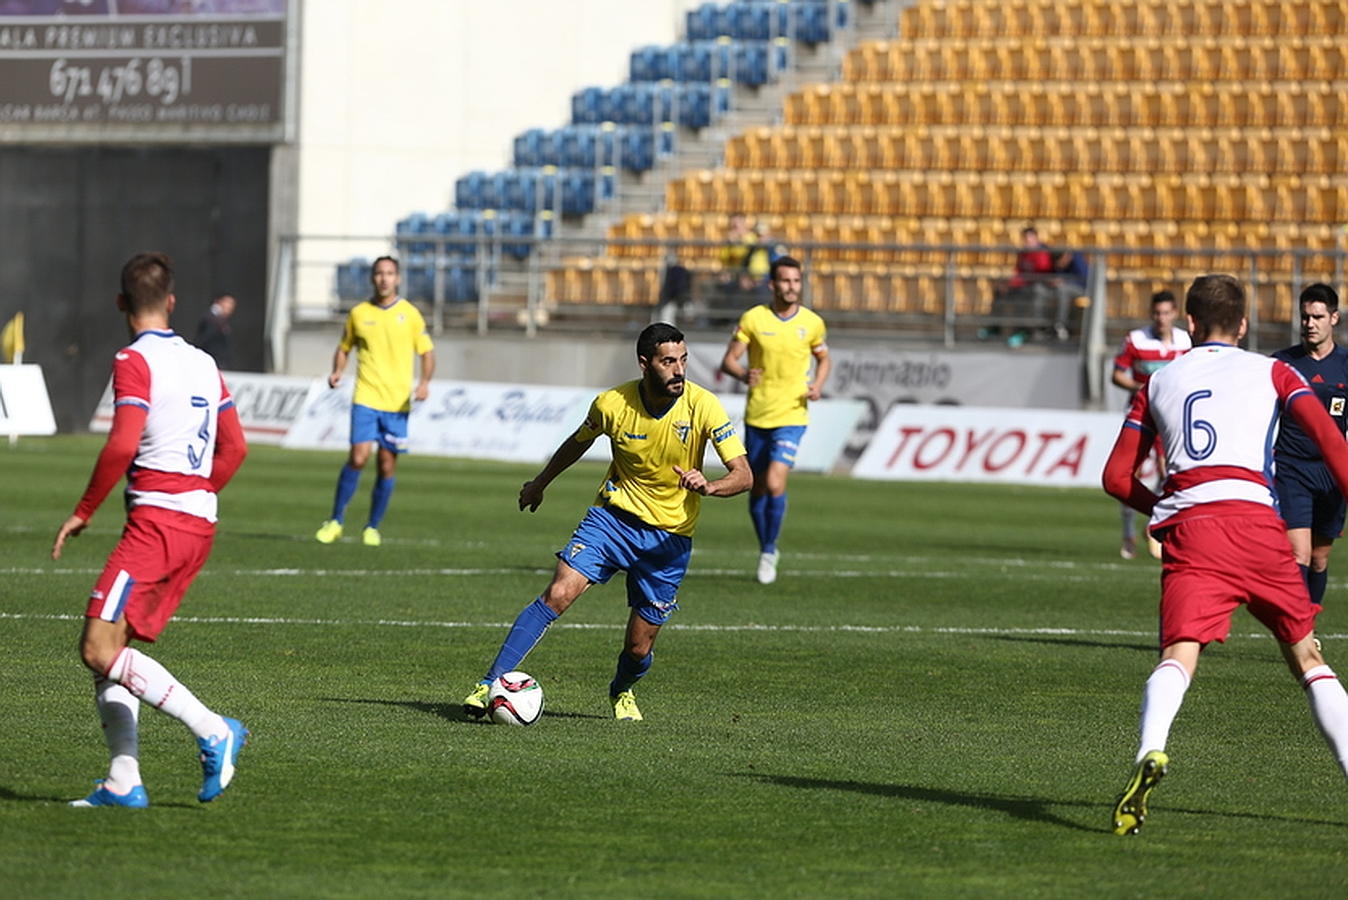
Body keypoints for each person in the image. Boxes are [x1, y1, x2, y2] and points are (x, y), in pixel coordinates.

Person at [1101, 274, 1348, 836]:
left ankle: (1151, 750)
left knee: (1178, 655)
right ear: (1242, 325)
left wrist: (1162, 506)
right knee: (1308, 659)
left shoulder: (1158, 382)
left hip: (1193, 525)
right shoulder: (1274, 370)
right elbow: (1334, 443)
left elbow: (1116, 477)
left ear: (1188, 324)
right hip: (1260, 523)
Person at [461, 322, 750, 721]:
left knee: (638, 648)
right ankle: (488, 684)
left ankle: (622, 689)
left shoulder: (704, 405)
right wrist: (540, 483)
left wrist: (711, 485)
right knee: (558, 593)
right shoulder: (611, 404)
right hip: (612, 519)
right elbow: (578, 442)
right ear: (645, 364)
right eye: (669, 362)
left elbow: (744, 474)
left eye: (683, 360)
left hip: (669, 538)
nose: (680, 370)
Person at [52, 251, 249, 808]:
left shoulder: (133, 360)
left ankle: (214, 730)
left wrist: (84, 509)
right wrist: (198, 493)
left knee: (96, 646)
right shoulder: (204, 361)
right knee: (114, 645)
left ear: (120, 303)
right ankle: (122, 780)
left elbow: (121, 443)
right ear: (172, 302)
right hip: (194, 522)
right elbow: (235, 448)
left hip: (158, 524)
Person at [719, 255, 830, 585]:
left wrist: (818, 385)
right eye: (785, 281)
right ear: (773, 284)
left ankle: (769, 550)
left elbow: (824, 359)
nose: (792, 287)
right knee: (754, 487)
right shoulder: (754, 319)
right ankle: (764, 544)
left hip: (793, 414)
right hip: (758, 415)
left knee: (775, 481)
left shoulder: (811, 323)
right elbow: (729, 361)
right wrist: (742, 374)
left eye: (796, 281)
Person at [315, 256, 435, 547]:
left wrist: (424, 383)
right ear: (372, 278)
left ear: (398, 278)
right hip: (365, 397)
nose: (384, 278)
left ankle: (372, 527)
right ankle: (335, 521)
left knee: (386, 465)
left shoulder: (410, 314)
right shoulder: (359, 314)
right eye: (379, 273)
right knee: (358, 457)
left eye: (390, 273)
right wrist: (337, 371)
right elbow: (344, 347)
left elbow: (427, 353)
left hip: (396, 404)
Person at [1272, 284, 1348, 607]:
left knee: (1318, 558)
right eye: (1305, 317)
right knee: (1297, 553)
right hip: (1292, 469)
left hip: (1332, 473)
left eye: (1317, 316)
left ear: (1334, 318)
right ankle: (1300, 632)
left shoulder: (1346, 364)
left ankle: (1308, 623)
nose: (1310, 324)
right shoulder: (1282, 363)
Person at [1112, 291, 1192, 559]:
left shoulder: (1185, 341)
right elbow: (1117, 375)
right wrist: (1144, 389)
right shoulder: (1136, 339)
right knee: (1128, 475)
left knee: (1166, 472)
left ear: (1175, 314)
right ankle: (1128, 533)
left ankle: (1156, 526)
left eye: (1167, 313)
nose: (1162, 318)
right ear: (1152, 314)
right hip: (1140, 416)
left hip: (1170, 418)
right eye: (1157, 313)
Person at [984, 226, 1055, 346]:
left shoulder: (1042, 253)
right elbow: (1018, 272)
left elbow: (1041, 274)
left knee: (1025, 297)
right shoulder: (1023, 253)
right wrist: (1009, 284)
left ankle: (1023, 331)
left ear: (1035, 238)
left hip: (1035, 287)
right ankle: (994, 326)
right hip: (1023, 284)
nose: (1027, 240)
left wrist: (1018, 283)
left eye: (1030, 238)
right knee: (1000, 291)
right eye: (1025, 238)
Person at [194, 293, 236, 369]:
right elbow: (204, 340)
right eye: (228, 303)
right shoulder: (211, 319)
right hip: (211, 363)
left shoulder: (220, 319)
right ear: (219, 302)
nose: (230, 307)